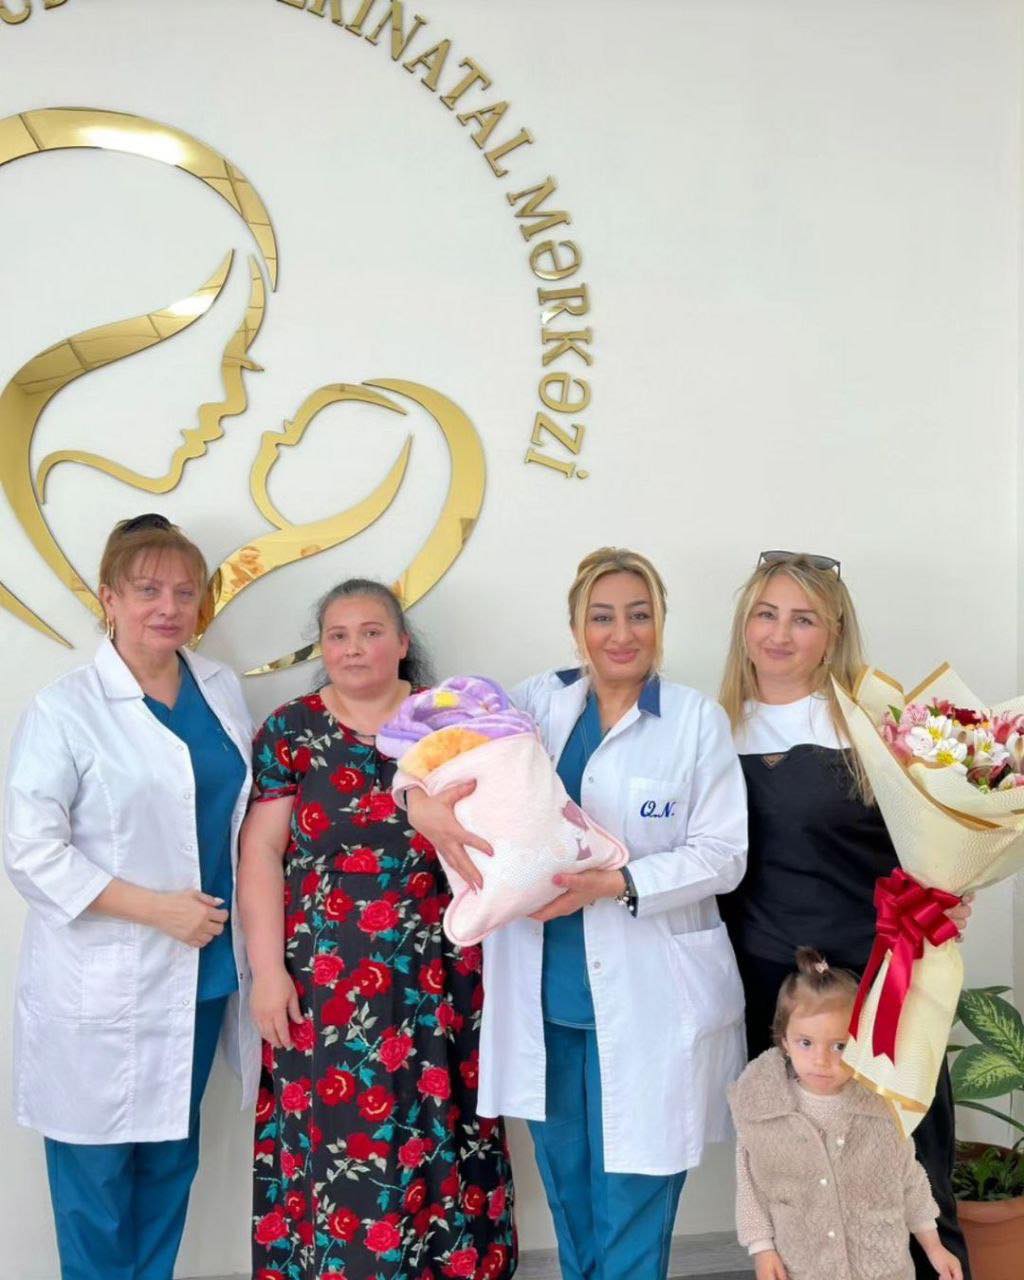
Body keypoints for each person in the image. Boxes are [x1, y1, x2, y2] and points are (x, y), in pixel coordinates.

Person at [405, 547, 749, 1280]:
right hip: (547, 996)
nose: (622, 634)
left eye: (639, 615)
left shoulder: (695, 720)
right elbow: (438, 752)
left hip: (652, 990)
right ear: (575, 628)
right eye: (602, 617)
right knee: (569, 1189)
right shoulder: (534, 703)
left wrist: (616, 882)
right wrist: (416, 801)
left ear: (661, 623)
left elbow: (724, 854)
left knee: (635, 1191)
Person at [238, 579, 516, 1280]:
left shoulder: (449, 724)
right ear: (322, 648)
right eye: (338, 635)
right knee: (332, 1140)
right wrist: (267, 973)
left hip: (440, 977)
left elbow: (506, 828)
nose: (354, 648)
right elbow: (262, 853)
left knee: (439, 1130)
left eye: (371, 632)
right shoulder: (292, 731)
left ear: (402, 642)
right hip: (320, 988)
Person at [3, 513, 257, 1280]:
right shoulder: (65, 710)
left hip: (204, 972)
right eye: (147, 590)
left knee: (170, 1163)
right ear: (109, 598)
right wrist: (158, 909)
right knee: (97, 1178)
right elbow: (30, 851)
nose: (168, 608)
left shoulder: (219, 688)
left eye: (184, 591)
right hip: (103, 975)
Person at [718, 550, 972, 1279]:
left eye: (803, 619)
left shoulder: (874, 729)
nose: (779, 634)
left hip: (883, 981)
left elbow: (933, 848)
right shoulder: (711, 729)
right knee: (797, 1186)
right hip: (772, 987)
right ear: (744, 625)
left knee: (908, 1169)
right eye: (766, 614)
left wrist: (950, 890)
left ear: (833, 633)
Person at [728, 947, 963, 1280]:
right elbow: (751, 1186)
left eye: (839, 1045)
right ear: (784, 1041)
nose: (821, 1060)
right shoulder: (761, 1111)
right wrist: (762, 1249)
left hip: (882, 1267)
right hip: (805, 1267)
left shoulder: (880, 1108)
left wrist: (934, 1247)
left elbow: (910, 1179)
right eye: (806, 1042)